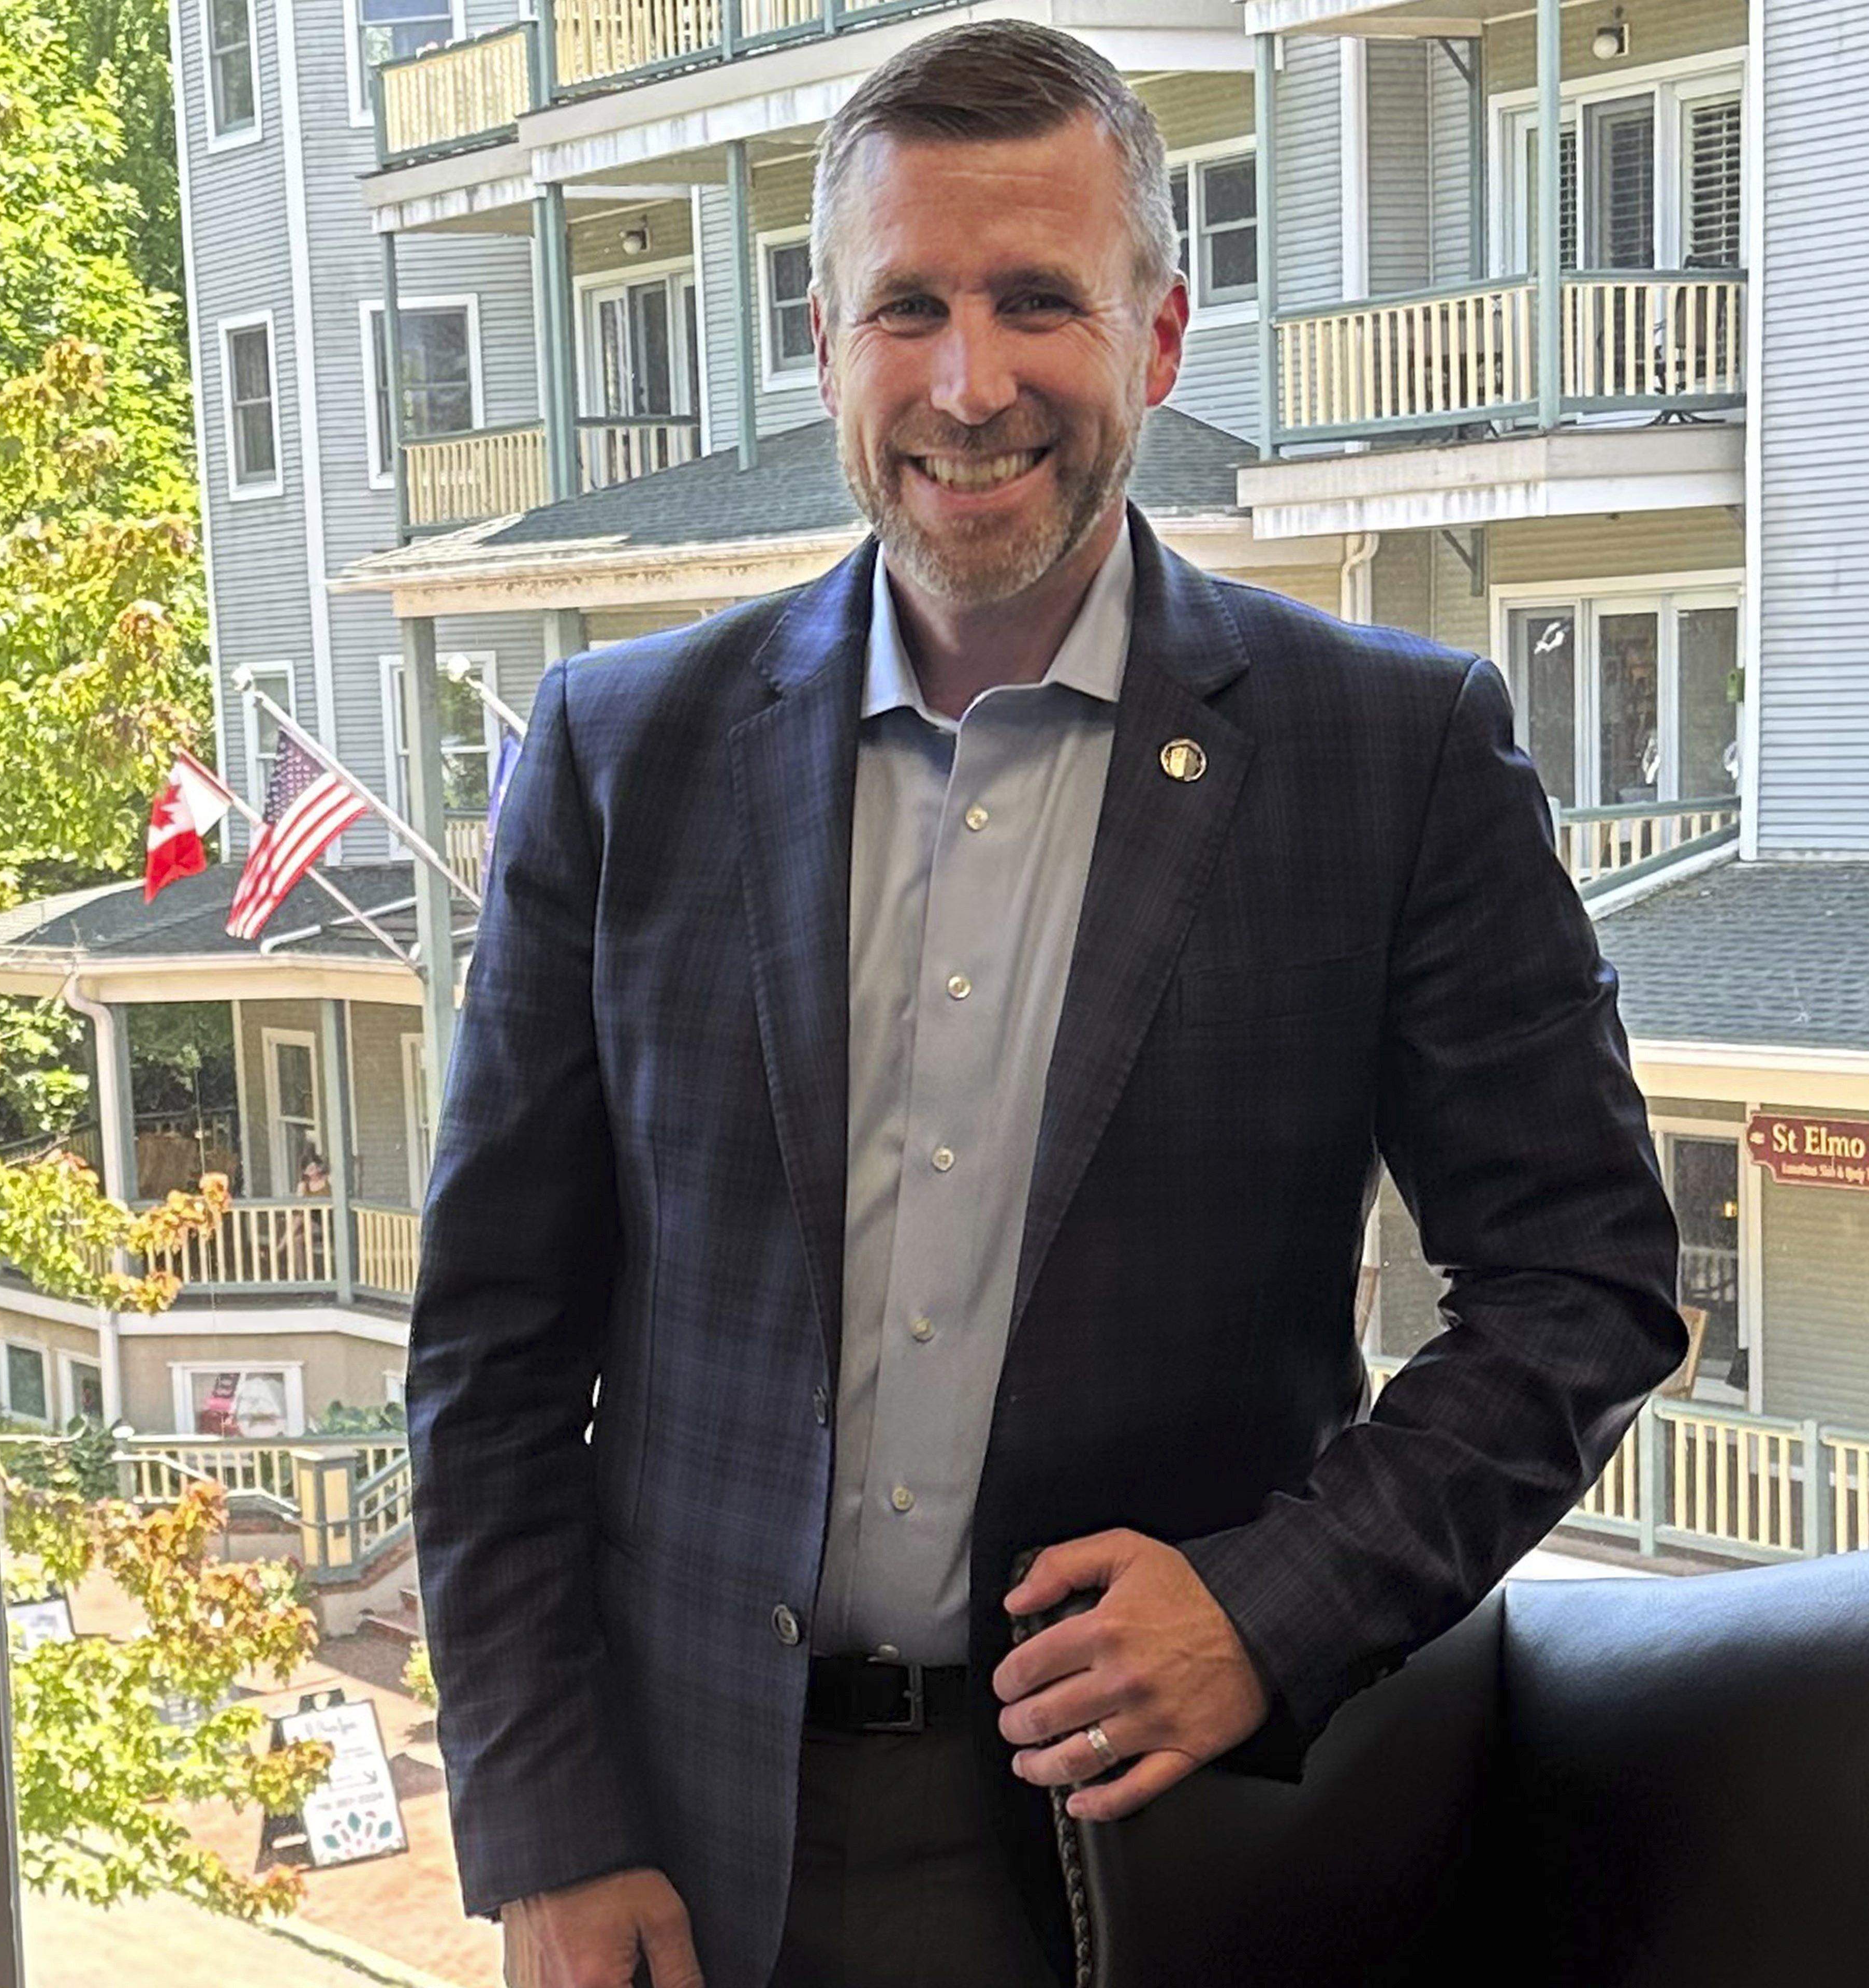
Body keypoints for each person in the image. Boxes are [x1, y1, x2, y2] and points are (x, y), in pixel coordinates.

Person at [406, 24, 1685, 1988]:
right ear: (826, 343)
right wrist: (546, 1828)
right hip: (679, 1844)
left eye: (1037, 303)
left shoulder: (1391, 755)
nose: (969, 381)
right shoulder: (615, 752)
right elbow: (492, 1345)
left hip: (1146, 1862)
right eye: (905, 306)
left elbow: (1587, 1280)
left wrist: (1278, 1604)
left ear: (1158, 343)